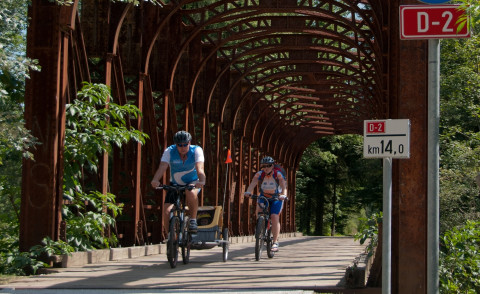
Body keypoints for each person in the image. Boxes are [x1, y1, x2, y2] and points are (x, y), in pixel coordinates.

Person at [151, 131, 206, 233]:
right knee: (167, 211)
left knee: (190, 192)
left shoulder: (196, 150)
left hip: (193, 181)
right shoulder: (170, 151)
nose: (182, 147)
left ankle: (193, 219)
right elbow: (163, 166)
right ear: (175, 144)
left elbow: (200, 168)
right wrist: (155, 180)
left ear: (189, 143)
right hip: (175, 183)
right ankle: (170, 238)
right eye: (179, 145)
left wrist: (202, 180)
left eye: (185, 144)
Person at [244, 156, 287, 252]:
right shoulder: (259, 174)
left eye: (269, 166)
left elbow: (284, 186)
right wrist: (248, 192)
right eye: (264, 166)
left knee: (274, 216)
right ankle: (262, 226)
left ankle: (275, 242)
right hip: (264, 196)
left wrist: (284, 195)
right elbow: (253, 183)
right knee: (259, 211)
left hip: (276, 197)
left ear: (273, 166)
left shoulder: (277, 174)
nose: (266, 168)